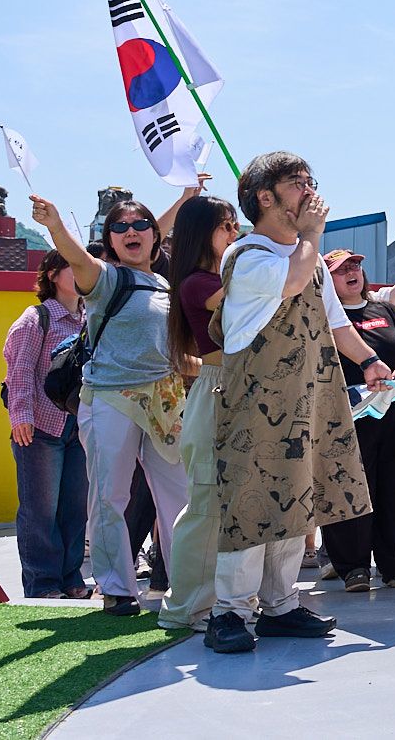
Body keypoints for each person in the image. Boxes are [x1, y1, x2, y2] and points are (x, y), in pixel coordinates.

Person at [204, 153, 395, 654]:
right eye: (297, 183)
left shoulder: (310, 261)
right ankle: (230, 611)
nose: (310, 191)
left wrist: (370, 360)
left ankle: (281, 604)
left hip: (308, 400)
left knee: (297, 501)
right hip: (257, 406)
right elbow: (290, 281)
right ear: (265, 197)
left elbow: (337, 325)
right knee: (251, 503)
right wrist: (311, 235)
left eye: (311, 181)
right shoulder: (247, 255)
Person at [30, 193, 187, 617]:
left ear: (155, 236)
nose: (131, 232)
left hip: (164, 399)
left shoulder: (164, 284)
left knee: (179, 496)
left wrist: (186, 197)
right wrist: (56, 226)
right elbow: (76, 257)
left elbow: (153, 229)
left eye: (140, 225)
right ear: (110, 240)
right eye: (119, 227)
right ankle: (117, 588)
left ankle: (188, 587)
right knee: (109, 495)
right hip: (111, 396)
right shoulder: (104, 278)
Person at [322, 223, 395, 592]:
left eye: (355, 265)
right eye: (340, 269)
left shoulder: (385, 307)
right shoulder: (325, 317)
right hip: (346, 418)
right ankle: (353, 567)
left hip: (394, 412)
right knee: (350, 488)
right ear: (326, 281)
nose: (351, 272)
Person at [155, 194, 241, 631]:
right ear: (201, 232)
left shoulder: (214, 277)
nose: (235, 233)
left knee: (231, 507)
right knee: (207, 505)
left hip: (239, 389)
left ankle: (227, 601)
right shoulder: (197, 283)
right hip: (217, 390)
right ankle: (186, 607)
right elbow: (250, 294)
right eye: (227, 225)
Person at [1, 250, 92, 600]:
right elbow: (20, 370)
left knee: (75, 508)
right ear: (52, 275)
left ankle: (71, 579)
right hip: (39, 428)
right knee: (40, 511)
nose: (82, 272)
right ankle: (42, 584)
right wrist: (21, 416)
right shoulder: (35, 318)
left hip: (79, 427)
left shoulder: (90, 317)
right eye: (72, 266)